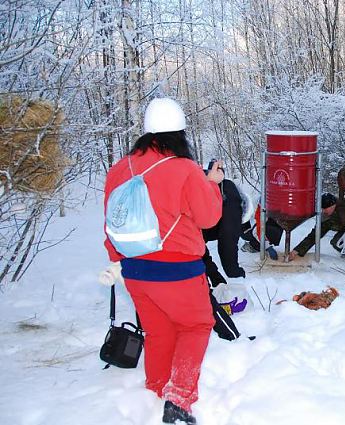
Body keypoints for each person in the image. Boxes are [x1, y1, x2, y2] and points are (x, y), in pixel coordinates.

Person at [103, 97, 224, 425]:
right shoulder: (183, 168)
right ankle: (179, 397)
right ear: (180, 133)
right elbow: (209, 217)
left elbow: (112, 220)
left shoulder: (119, 168)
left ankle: (156, 389)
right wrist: (213, 185)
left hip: (135, 270)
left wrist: (117, 260)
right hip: (178, 269)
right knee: (196, 325)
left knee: (158, 331)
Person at [288, 192, 345, 260]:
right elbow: (314, 235)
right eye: (322, 209)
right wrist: (297, 250)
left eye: (325, 208)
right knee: (336, 242)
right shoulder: (325, 217)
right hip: (343, 231)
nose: (323, 211)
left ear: (333, 205)